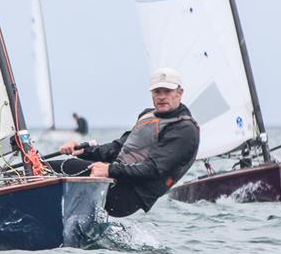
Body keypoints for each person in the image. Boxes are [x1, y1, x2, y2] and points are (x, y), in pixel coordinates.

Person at [53, 68, 199, 217]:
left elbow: (154, 170)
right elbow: (118, 147)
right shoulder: (147, 115)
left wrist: (109, 170)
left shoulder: (184, 130)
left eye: (167, 91)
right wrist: (83, 151)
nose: (161, 97)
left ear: (179, 93)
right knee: (49, 168)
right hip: (115, 179)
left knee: (62, 167)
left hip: (128, 196)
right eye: (157, 92)